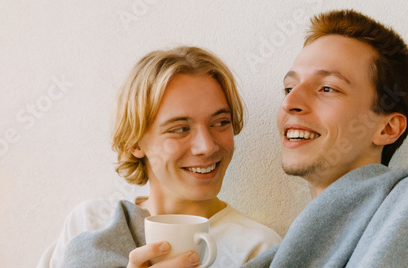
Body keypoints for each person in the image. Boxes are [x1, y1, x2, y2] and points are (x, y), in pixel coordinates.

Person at [131, 9, 408, 268]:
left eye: (327, 89)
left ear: (387, 127)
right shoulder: (282, 257)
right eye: (289, 89)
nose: (292, 104)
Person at [38, 46, 281, 268]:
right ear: (135, 142)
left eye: (220, 123)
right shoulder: (90, 224)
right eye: (180, 129)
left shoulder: (258, 248)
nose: (206, 147)